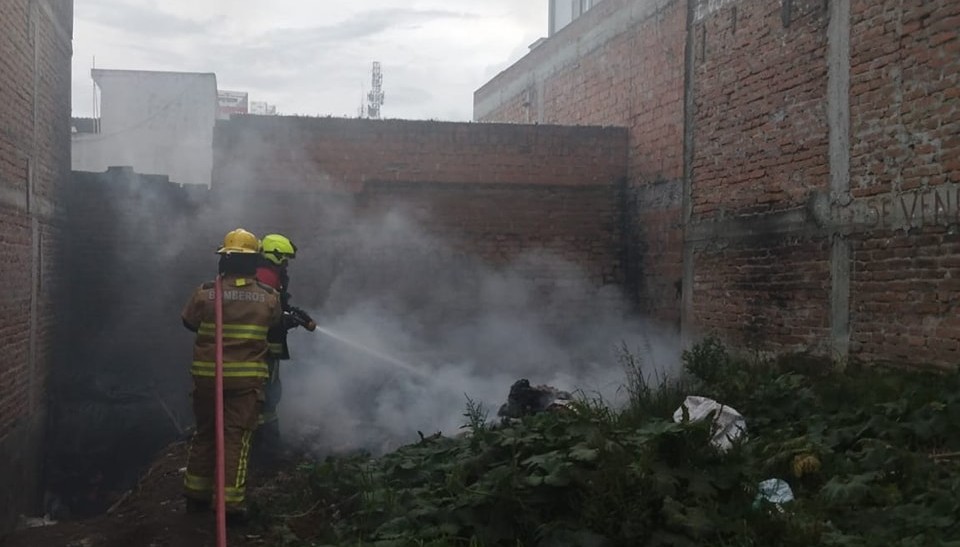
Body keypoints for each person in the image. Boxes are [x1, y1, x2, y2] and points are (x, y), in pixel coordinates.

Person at [180, 228, 282, 522]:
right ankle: (230, 505)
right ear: (254, 262)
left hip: (207, 378)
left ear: (224, 260)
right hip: (245, 383)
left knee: (205, 434)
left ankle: (196, 497)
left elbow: (188, 322)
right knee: (236, 438)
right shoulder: (268, 298)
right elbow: (274, 325)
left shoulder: (205, 292)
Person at [252, 233, 313, 467]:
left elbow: (277, 305)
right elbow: (265, 312)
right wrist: (284, 320)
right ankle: (266, 450)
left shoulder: (267, 275)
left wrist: (293, 313)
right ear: (274, 256)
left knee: (269, 393)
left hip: (265, 347)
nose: (287, 265)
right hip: (264, 348)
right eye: (284, 259)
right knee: (268, 394)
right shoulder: (266, 276)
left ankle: (265, 445)